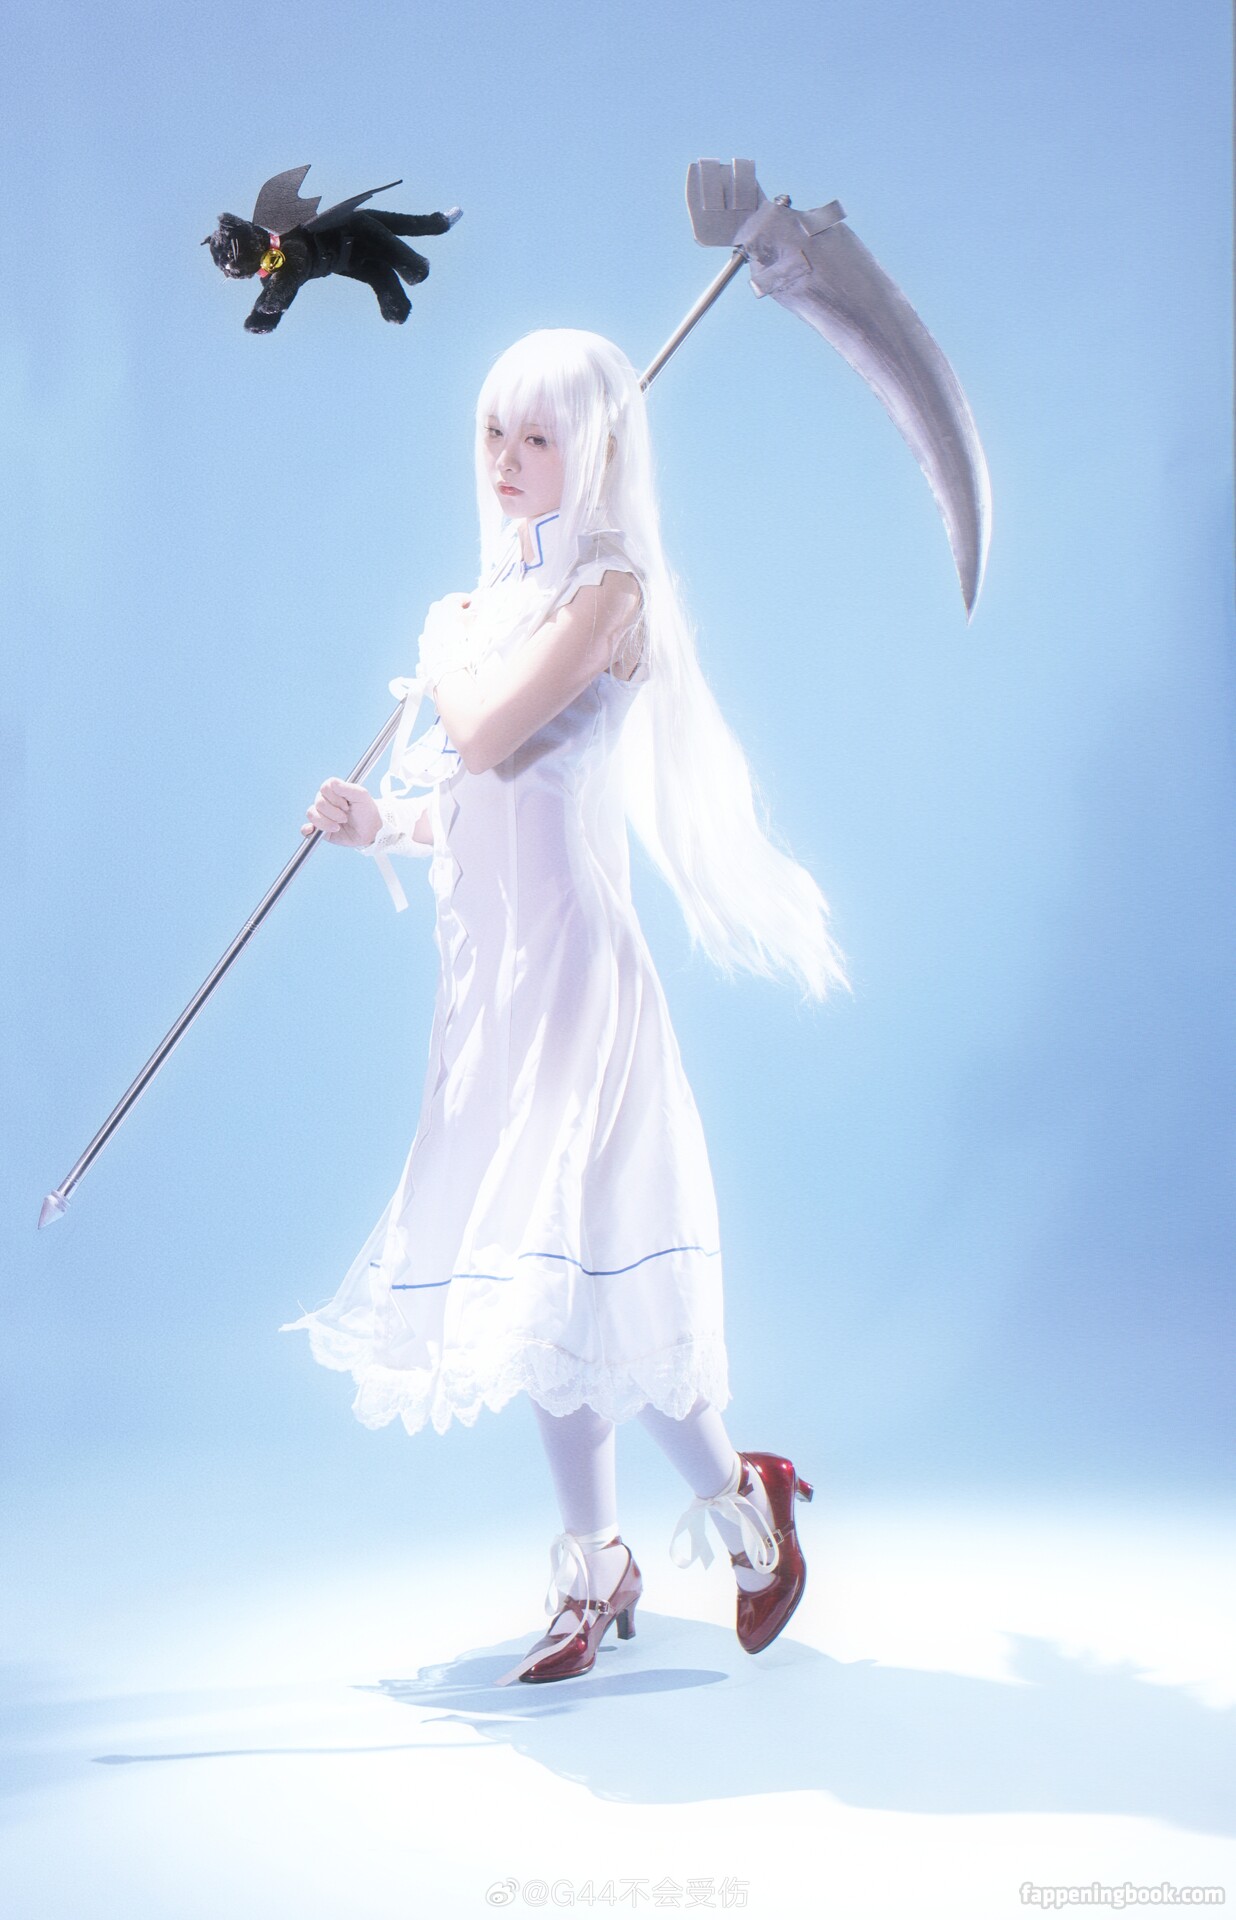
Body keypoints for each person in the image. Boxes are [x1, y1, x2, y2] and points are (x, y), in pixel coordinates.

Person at [286, 328, 846, 1685]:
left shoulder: (608, 594)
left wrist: (445, 645)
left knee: (569, 1259)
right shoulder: (495, 604)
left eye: (538, 436)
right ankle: (606, 1561)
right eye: (495, 431)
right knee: (544, 1284)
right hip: (494, 978)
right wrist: (381, 824)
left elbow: (487, 733)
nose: (506, 458)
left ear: (594, 450)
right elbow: (482, 801)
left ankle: (734, 1510)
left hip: (581, 978)